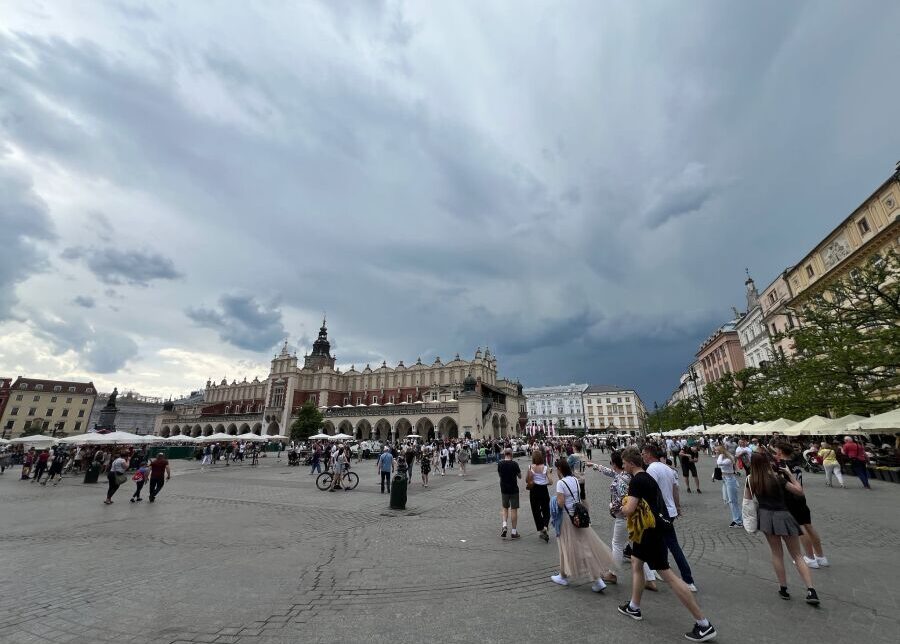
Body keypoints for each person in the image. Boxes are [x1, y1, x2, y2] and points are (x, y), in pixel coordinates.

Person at [618, 448, 717, 642]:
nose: (623, 466)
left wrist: (620, 507)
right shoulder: (648, 477)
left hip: (649, 533)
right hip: (648, 531)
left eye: (624, 463)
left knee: (668, 575)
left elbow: (629, 509)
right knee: (636, 563)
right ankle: (634, 607)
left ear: (630, 463)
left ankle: (704, 624)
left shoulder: (637, 481)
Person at [744, 451, 819, 604]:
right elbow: (799, 491)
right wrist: (790, 474)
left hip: (766, 518)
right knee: (797, 555)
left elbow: (747, 500)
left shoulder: (751, 480)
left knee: (777, 554)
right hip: (783, 515)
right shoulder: (777, 478)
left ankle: (783, 588)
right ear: (767, 462)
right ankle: (811, 590)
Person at [588, 451, 657, 591]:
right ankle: (650, 579)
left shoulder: (621, 480)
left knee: (617, 544)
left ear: (615, 464)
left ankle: (612, 573)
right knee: (638, 548)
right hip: (636, 517)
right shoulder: (628, 475)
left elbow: (624, 498)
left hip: (624, 517)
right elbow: (611, 472)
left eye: (611, 463)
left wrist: (612, 507)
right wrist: (595, 466)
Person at [550, 457, 616, 591]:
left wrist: (553, 500)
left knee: (568, 547)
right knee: (584, 547)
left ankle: (588, 579)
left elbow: (561, 503)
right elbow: (578, 497)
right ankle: (569, 575)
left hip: (567, 519)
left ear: (560, 469)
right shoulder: (575, 479)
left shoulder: (561, 483)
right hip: (578, 517)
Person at [642, 443, 697, 591]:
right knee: (665, 543)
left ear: (649, 454)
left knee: (669, 545)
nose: (642, 456)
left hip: (660, 513)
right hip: (670, 511)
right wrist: (677, 507)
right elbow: (675, 490)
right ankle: (662, 568)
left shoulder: (651, 469)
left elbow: (650, 492)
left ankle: (687, 579)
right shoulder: (668, 468)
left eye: (643, 453)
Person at [772, 443, 828, 569]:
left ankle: (810, 557)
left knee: (800, 527)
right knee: (809, 526)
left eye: (777, 450)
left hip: (790, 497)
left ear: (780, 451)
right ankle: (821, 556)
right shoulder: (795, 463)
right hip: (801, 496)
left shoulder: (782, 465)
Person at [526, 450, 553, 542]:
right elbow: (551, 481)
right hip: (543, 489)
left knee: (535, 510)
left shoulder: (530, 467)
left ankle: (541, 529)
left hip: (534, 490)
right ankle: (545, 526)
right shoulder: (545, 468)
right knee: (546, 509)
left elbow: (527, 480)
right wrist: (544, 483)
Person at [714, 445, 742, 528]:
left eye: (716, 451)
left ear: (721, 451)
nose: (715, 452)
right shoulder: (723, 458)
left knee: (733, 501)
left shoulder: (728, 459)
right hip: (725, 480)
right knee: (727, 500)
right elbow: (720, 467)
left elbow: (719, 463)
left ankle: (738, 521)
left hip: (730, 480)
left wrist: (721, 454)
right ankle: (737, 519)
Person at [497, 448, 521, 539]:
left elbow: (500, 475)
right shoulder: (515, 464)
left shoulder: (500, 464)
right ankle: (514, 532)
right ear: (511, 454)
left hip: (504, 489)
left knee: (505, 508)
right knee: (514, 509)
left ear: (504, 454)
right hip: (514, 489)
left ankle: (504, 526)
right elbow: (520, 476)